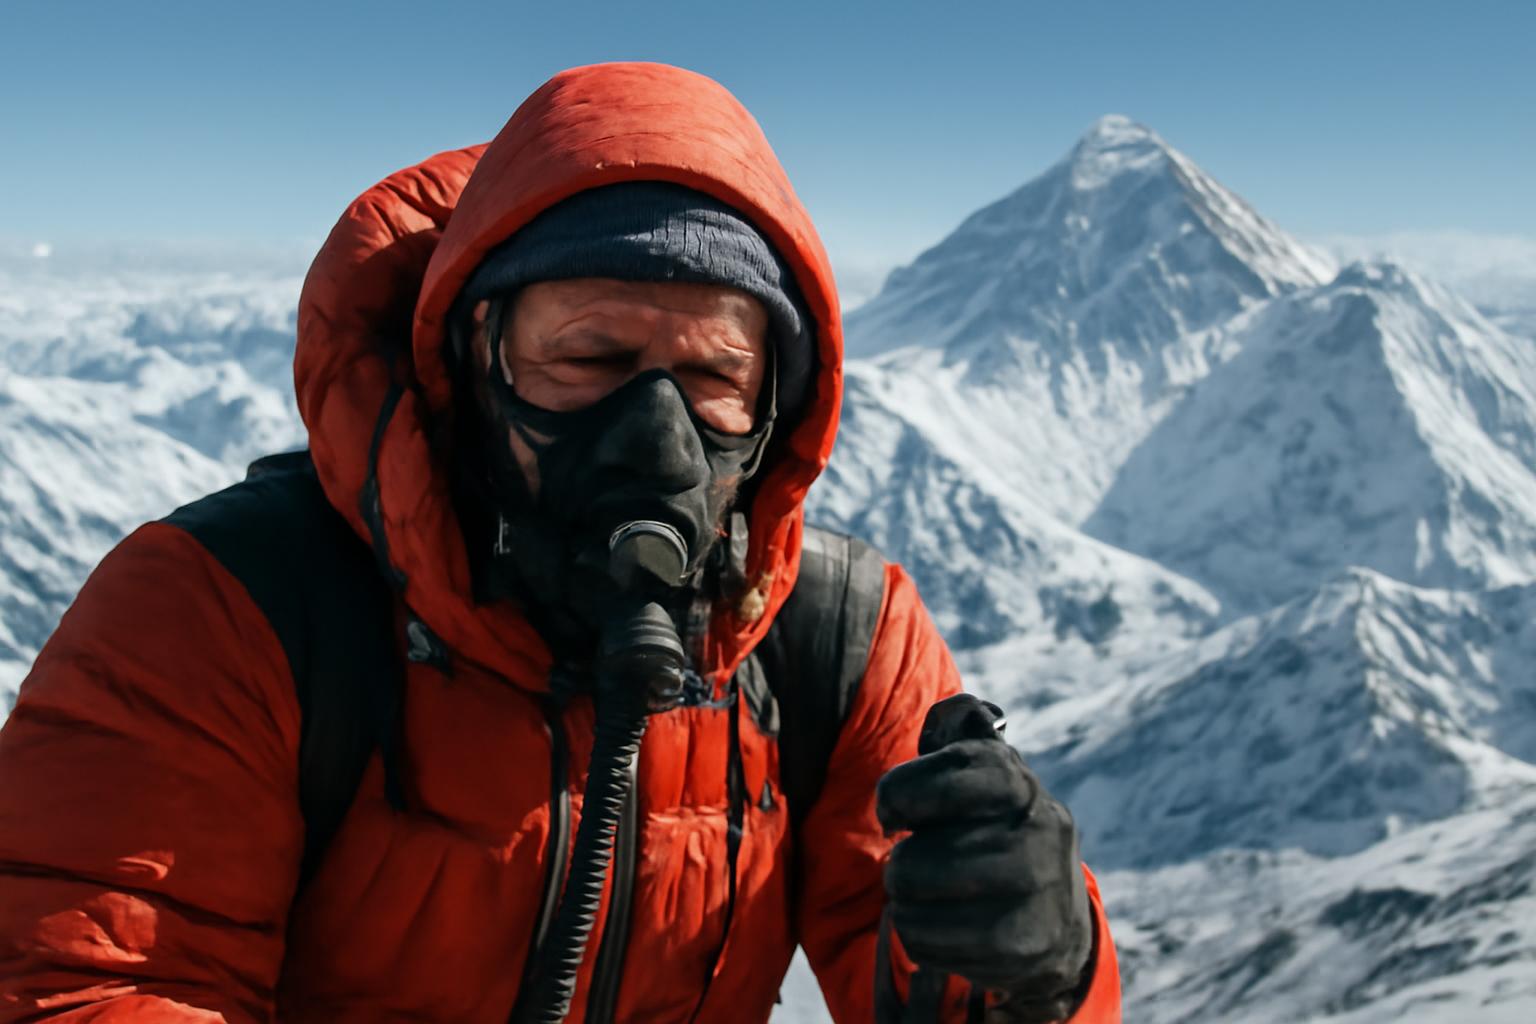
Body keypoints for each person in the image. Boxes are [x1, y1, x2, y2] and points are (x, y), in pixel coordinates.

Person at [0, 62, 1120, 1023]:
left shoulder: (839, 639)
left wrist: (1036, 967)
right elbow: (74, 985)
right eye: (589, 360)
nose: (656, 439)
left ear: (775, 408)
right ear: (471, 363)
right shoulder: (227, 608)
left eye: (715, 379)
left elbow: (932, 989)